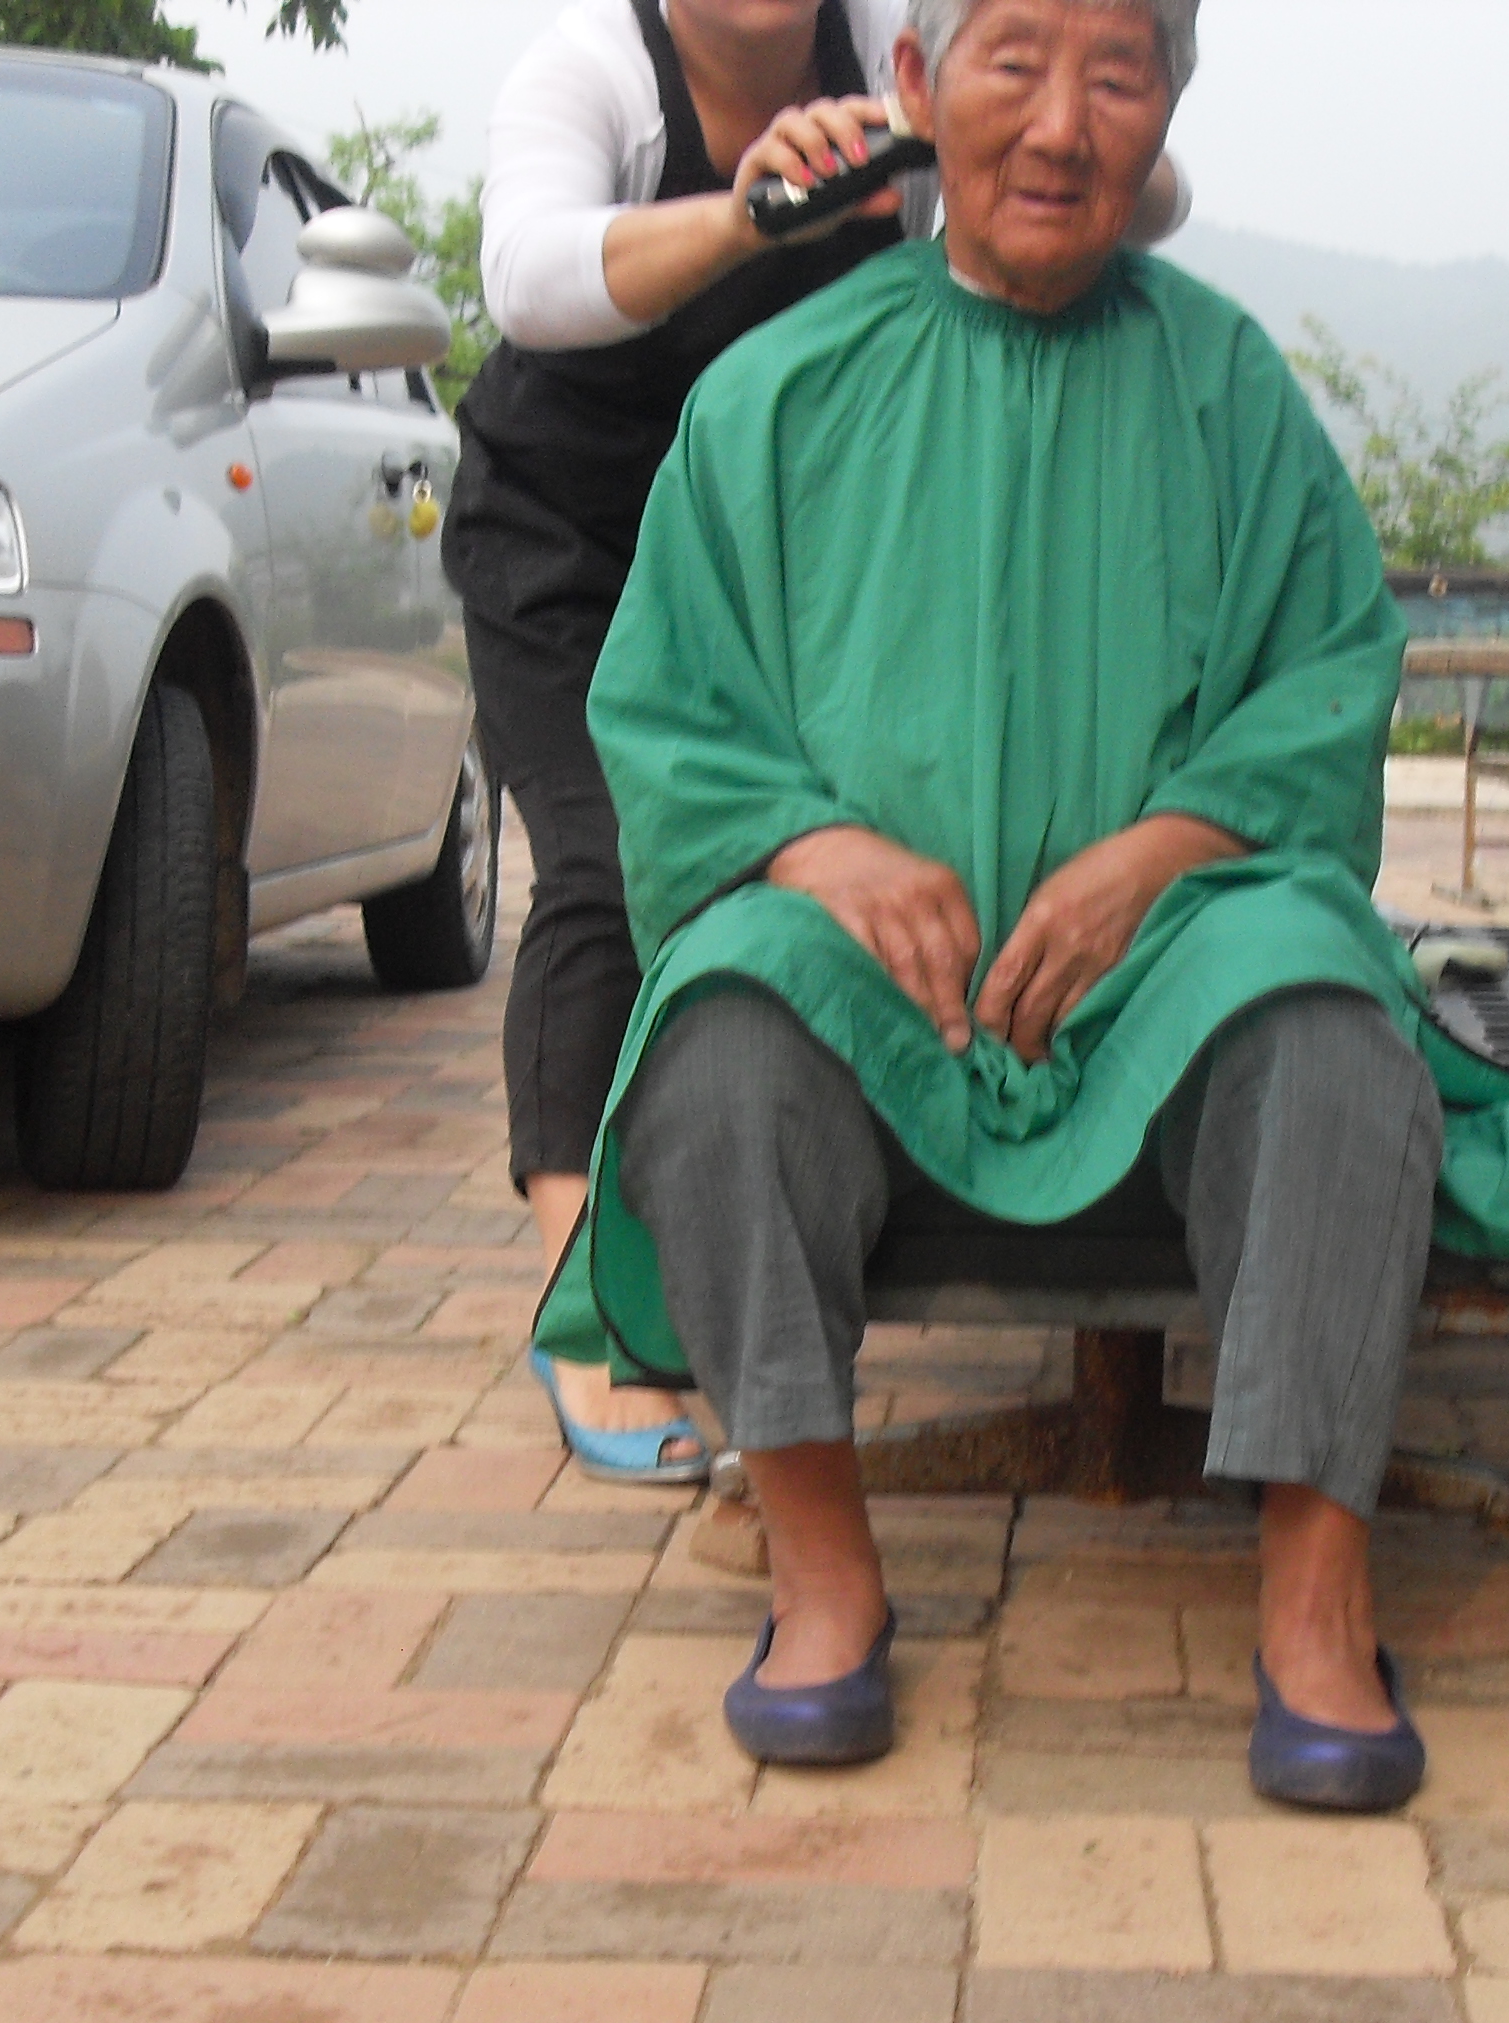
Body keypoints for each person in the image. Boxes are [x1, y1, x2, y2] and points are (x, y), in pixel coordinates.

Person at [540, 0, 1509, 1811]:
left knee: (1328, 1016)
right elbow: (671, 714)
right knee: (715, 1031)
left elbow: (1324, 679)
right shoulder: (772, 395)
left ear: (1169, 107)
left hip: (1165, 985)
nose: (1064, 123)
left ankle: (1316, 1594)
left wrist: (1166, 850)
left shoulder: (1229, 387)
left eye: (1119, 71)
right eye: (1014, 60)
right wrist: (812, 850)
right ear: (917, 89)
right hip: (876, 995)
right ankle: (822, 1573)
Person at [444, 0, 1183, 1485]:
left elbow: (1145, 189)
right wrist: (753, 213)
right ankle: (593, 1305)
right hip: (573, 544)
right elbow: (526, 278)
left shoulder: (898, 50)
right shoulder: (593, 71)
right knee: (606, 856)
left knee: (818, 868)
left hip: (791, 545)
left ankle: (808, 1206)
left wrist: (943, 123)